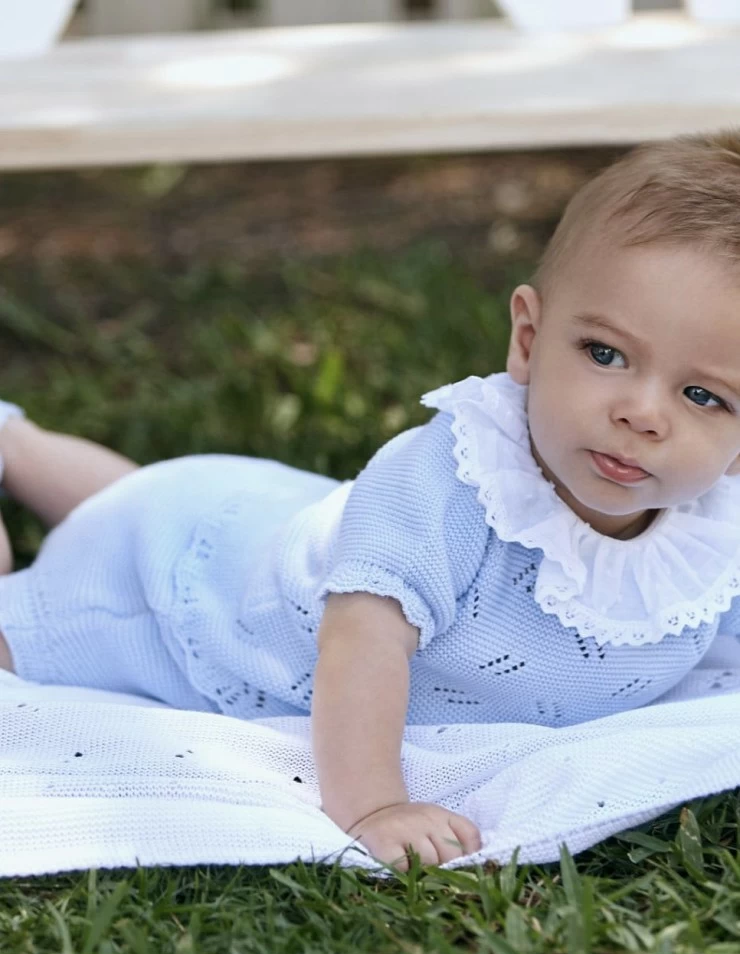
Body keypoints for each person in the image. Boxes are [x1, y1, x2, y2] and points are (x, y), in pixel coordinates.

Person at [3, 130, 740, 871]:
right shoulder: (446, 484)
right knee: (82, 569)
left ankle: (17, 443)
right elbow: (362, 642)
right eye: (605, 354)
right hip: (192, 591)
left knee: (138, 492)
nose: (643, 413)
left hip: (247, 505)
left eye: (704, 395)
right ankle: (17, 448)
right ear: (529, 337)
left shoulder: (713, 532)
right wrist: (375, 804)